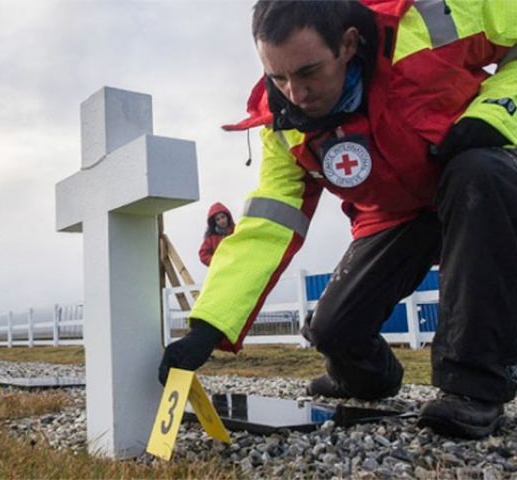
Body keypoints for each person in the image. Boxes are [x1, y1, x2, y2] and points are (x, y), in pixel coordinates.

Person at [159, 0, 517, 439]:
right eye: (278, 77)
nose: (296, 93)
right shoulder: (286, 124)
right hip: (392, 217)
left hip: (475, 186)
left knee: (480, 173)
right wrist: (208, 325)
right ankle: (369, 377)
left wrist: (499, 110)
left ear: (347, 44)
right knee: (331, 329)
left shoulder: (427, 23)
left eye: (308, 72)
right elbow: (270, 222)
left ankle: (473, 388)